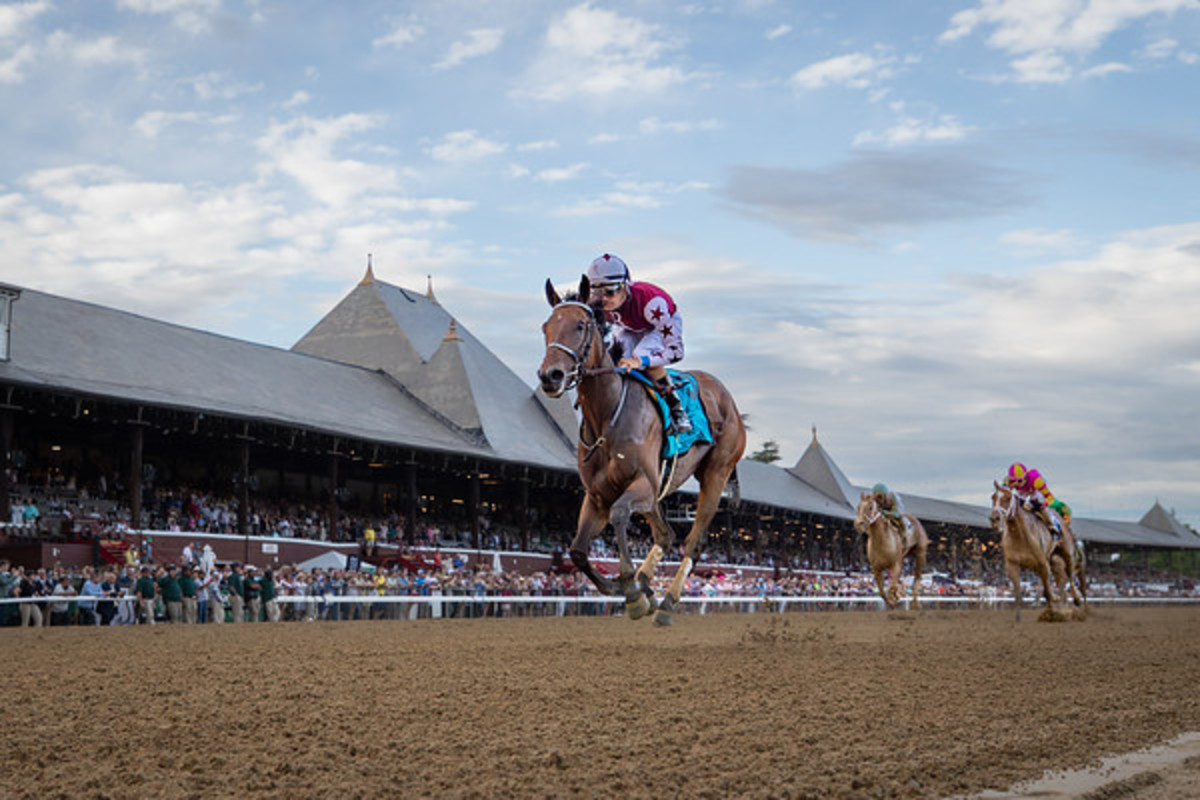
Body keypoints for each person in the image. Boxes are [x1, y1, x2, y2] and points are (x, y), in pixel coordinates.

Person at [585, 253, 692, 433]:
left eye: (610, 290)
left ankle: (677, 409)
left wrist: (641, 361)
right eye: (596, 291)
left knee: (638, 355)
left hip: (658, 326)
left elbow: (677, 352)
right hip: (631, 326)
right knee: (614, 358)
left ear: (625, 285)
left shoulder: (653, 304)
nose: (603, 299)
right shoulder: (598, 304)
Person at [1005, 462, 1069, 537]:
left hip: (1034, 490)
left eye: (1019, 480)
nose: (1017, 483)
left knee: (1038, 505)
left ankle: (1052, 526)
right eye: (1013, 481)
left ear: (1025, 477)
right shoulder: (1008, 482)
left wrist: (1043, 504)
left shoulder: (1036, 480)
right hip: (1022, 493)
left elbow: (1050, 497)